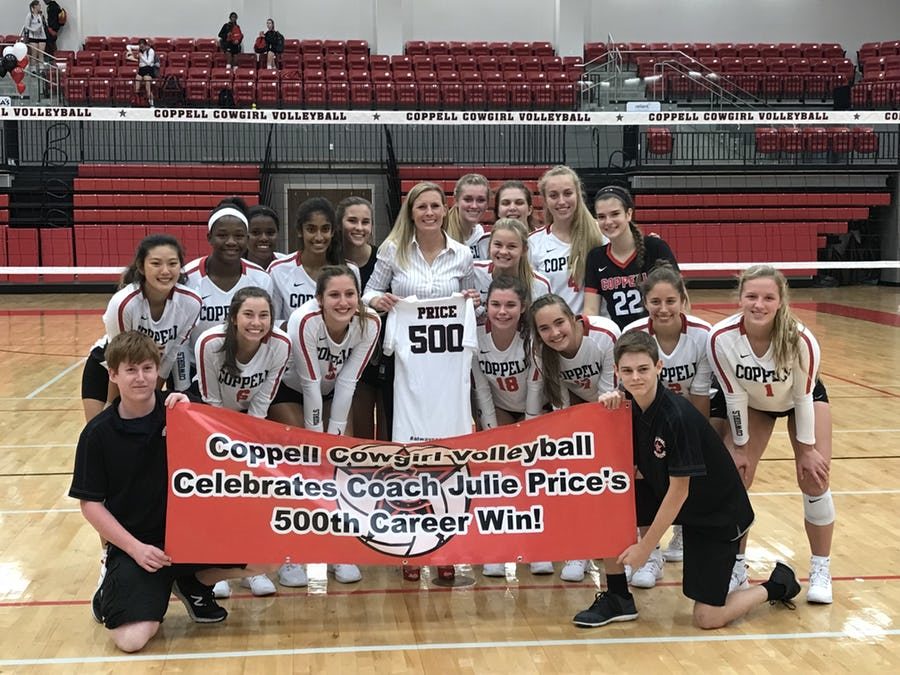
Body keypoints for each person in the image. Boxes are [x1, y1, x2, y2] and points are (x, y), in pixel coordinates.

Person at [571, 330, 801, 629]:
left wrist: (645, 547)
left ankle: (776, 584)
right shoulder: (626, 404)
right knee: (608, 502)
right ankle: (617, 597)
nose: (635, 377)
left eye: (643, 369)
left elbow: (680, 492)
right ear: (616, 372)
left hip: (715, 514)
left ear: (658, 368)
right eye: (627, 371)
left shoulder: (676, 417)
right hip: (672, 495)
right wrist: (609, 403)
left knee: (707, 618)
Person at [70, 331, 270, 653]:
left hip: (192, 539)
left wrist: (195, 412)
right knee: (131, 640)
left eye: (147, 369)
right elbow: (90, 504)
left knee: (270, 556)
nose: (141, 378)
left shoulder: (181, 410)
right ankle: (125, 587)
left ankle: (190, 582)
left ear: (158, 369)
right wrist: (135, 549)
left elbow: (234, 445)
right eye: (131, 370)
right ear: (113, 374)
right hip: (143, 547)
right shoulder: (98, 434)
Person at [362, 181, 478, 583]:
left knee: (447, 458)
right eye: (420, 207)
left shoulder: (463, 254)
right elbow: (368, 292)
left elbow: (475, 300)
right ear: (410, 212)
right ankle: (408, 545)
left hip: (448, 372)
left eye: (434, 206)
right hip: (407, 374)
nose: (428, 213)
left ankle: (445, 548)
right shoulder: (392, 250)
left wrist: (470, 303)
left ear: (445, 210)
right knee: (407, 457)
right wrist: (378, 302)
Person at [708, 265, 834, 604]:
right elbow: (733, 397)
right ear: (740, 298)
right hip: (752, 403)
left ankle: (821, 568)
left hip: (800, 402)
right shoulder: (722, 338)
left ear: (781, 301)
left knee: (815, 477)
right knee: (735, 476)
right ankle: (736, 565)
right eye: (751, 296)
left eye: (767, 297)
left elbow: (803, 397)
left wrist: (807, 450)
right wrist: (739, 447)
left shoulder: (800, 338)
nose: (758, 304)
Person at [271, 265, 381, 585]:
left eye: (350, 294)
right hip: (291, 390)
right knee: (299, 465)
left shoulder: (369, 322)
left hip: (333, 392)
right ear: (319, 298)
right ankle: (288, 556)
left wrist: (332, 439)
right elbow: (309, 383)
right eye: (334, 295)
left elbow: (348, 380)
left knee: (340, 466)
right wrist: (317, 441)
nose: (343, 302)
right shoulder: (304, 320)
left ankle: (338, 549)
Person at [194, 287, 291, 598]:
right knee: (216, 493)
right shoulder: (211, 344)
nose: (256, 322)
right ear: (233, 318)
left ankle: (251, 568)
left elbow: (264, 399)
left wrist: (249, 445)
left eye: (264, 315)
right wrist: (226, 448)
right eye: (248, 314)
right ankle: (217, 566)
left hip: (251, 421)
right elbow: (209, 400)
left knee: (252, 490)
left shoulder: (280, 345)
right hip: (212, 421)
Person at [621, 262, 713, 585]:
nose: (663, 309)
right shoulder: (633, 334)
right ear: (645, 302)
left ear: (683, 299)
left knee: (692, 473)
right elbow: (630, 393)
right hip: (650, 416)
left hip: (687, 416)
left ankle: (683, 531)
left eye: (670, 301)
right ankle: (652, 554)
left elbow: (701, 394)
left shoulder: (702, 335)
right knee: (643, 473)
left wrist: (696, 441)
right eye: (655, 302)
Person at [530, 293, 620, 582]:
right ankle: (578, 547)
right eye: (545, 329)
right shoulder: (540, 351)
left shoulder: (605, 335)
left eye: (559, 323)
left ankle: (634, 549)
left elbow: (611, 397)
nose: (554, 333)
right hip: (580, 411)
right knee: (574, 473)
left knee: (616, 478)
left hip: (619, 408)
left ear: (574, 317)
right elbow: (561, 404)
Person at [472, 277, 552, 577]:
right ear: (487, 305)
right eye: (495, 304)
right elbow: (480, 388)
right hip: (500, 408)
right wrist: (493, 433)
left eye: (510, 305)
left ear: (523, 308)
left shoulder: (532, 337)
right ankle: (497, 546)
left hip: (536, 408)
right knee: (496, 473)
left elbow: (536, 383)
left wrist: (528, 433)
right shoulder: (476, 334)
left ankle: (537, 547)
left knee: (533, 474)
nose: (502, 311)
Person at [81, 234, 201, 423]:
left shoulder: (191, 303)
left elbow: (171, 354)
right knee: (100, 431)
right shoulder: (124, 303)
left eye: (172, 263)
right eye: (156, 263)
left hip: (146, 372)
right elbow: (118, 356)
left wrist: (151, 391)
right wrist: (113, 406)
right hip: (107, 367)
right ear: (141, 267)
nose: (165, 271)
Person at [182, 199, 273, 368]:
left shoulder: (261, 279)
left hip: (245, 371)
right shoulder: (188, 277)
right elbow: (181, 340)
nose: (231, 241)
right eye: (222, 235)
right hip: (196, 369)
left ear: (246, 239)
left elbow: (265, 332)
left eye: (238, 236)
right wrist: (184, 384)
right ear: (209, 237)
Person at [583, 185, 678, 330]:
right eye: (601, 216)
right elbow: (591, 310)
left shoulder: (655, 248)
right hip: (619, 341)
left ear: (628, 214)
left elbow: (680, 297)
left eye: (615, 214)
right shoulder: (596, 258)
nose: (608, 221)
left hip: (656, 335)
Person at [268, 197, 359, 324]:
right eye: (311, 229)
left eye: (325, 229)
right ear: (300, 231)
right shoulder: (278, 270)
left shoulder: (350, 270)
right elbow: (272, 322)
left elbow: (354, 319)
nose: (319, 237)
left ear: (332, 231)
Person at [338, 196, 385, 440]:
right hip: (351, 356)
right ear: (340, 223)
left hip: (386, 353)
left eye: (365, 222)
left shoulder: (384, 259)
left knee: (389, 434)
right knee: (362, 435)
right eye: (352, 220)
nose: (359, 227)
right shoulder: (333, 263)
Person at [529, 166, 604, 314]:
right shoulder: (533, 243)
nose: (561, 201)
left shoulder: (601, 234)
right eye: (554, 195)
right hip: (553, 331)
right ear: (545, 200)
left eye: (568, 193)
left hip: (595, 330)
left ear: (578, 195)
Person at [472, 217, 550, 312]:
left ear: (524, 250)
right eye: (498, 245)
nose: (503, 251)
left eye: (511, 246)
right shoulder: (474, 273)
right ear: (489, 246)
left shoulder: (540, 285)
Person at [446, 173, 491, 259]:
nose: (474, 206)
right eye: (467, 200)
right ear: (456, 200)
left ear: (487, 204)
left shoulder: (480, 234)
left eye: (480, 200)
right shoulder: (443, 233)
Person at [245, 205, 285, 270]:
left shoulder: (287, 266)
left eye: (270, 233)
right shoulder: (234, 267)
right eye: (255, 233)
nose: (264, 238)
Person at [127, 39, 157, 107]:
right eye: (140, 47)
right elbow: (128, 46)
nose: (141, 48)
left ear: (146, 45)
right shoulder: (140, 47)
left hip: (148, 70)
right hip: (141, 70)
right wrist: (130, 52)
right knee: (136, 88)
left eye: (143, 46)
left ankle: (152, 104)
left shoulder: (151, 51)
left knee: (147, 88)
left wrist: (141, 57)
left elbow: (149, 63)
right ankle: (135, 102)